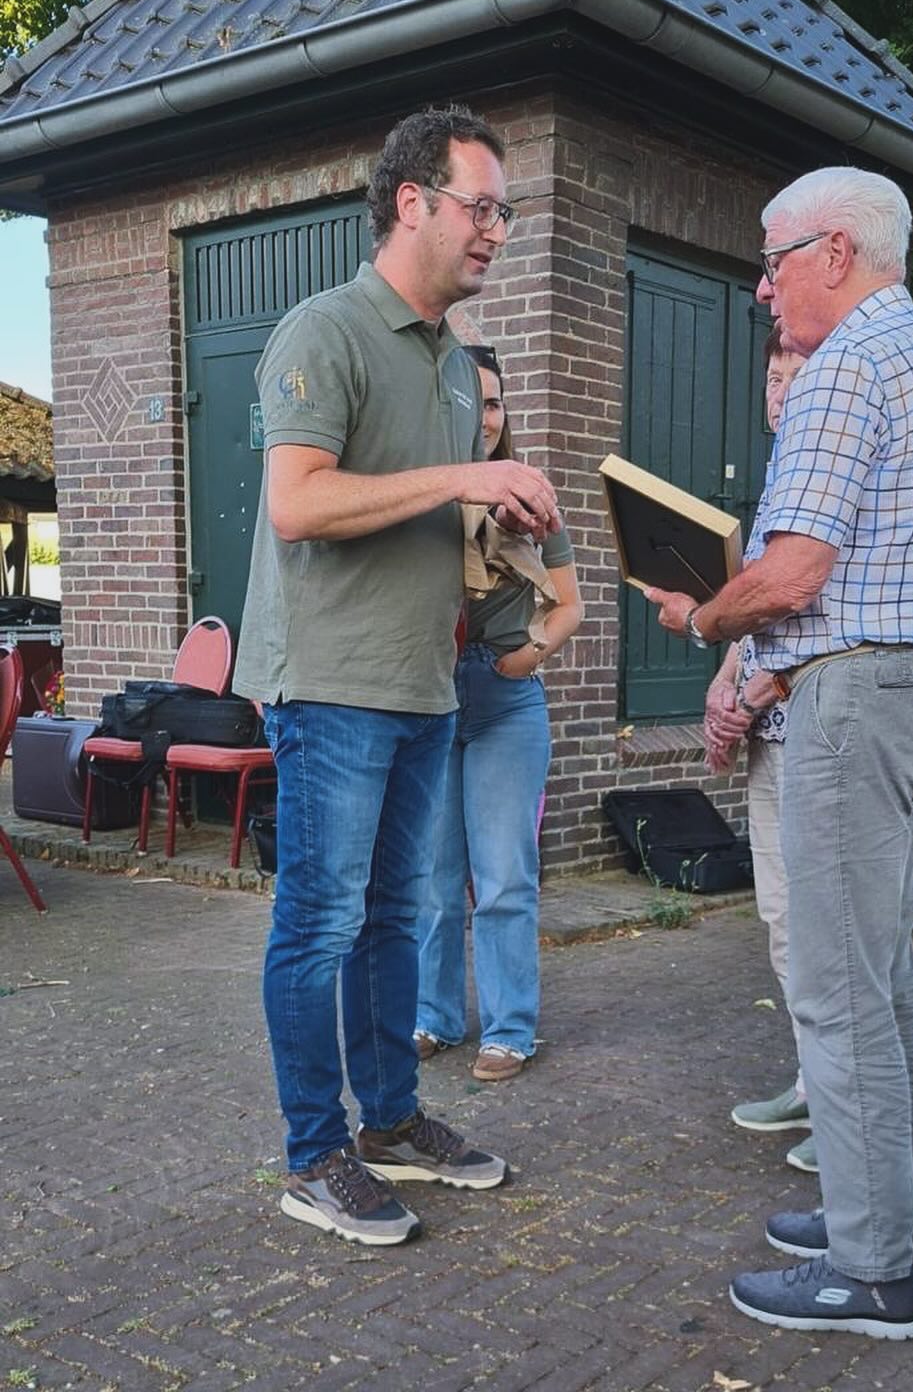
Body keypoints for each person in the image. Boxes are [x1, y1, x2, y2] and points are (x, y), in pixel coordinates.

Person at [645, 165, 913, 1339]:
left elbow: (797, 573)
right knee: (883, 983)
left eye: (772, 258)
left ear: (834, 251)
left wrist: (700, 616)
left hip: (850, 706)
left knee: (838, 998)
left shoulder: (848, 364)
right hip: (912, 688)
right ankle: (894, 1216)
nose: (760, 285)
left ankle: (871, 1267)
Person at [233, 107, 560, 1247]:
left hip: (430, 683)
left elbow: (437, 520)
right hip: (329, 685)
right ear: (411, 200)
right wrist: (465, 473)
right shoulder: (323, 330)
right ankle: (313, 1152)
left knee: (396, 915)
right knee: (318, 921)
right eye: (483, 207)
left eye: (506, 212)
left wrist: (509, 523)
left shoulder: (460, 370)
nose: (498, 232)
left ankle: (391, 1121)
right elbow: (299, 504)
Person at [415, 343, 583, 1081]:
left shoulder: (533, 501)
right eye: (469, 399)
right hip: (430, 694)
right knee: (433, 875)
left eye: (494, 401)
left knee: (505, 875)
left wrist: (527, 654)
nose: (483, 416)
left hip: (505, 699)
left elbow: (572, 605)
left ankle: (510, 1028)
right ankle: (435, 1015)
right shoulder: (420, 492)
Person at [704, 329, 813, 1150]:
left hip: (824, 736)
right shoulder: (780, 481)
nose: (778, 390)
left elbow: (837, 619)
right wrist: (726, 676)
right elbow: (765, 611)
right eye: (771, 375)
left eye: (796, 374)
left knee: (830, 928)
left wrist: (760, 686)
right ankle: (818, 1083)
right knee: (781, 917)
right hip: (773, 741)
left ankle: (848, 1118)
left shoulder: (840, 476)